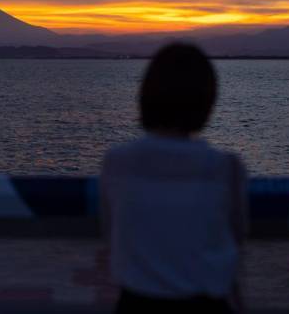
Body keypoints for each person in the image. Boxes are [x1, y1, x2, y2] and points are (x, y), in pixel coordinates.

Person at [99, 42, 247, 313]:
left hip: (136, 303)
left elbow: (111, 233)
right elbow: (235, 240)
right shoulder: (225, 167)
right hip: (206, 303)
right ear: (207, 100)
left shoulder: (117, 161)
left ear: (146, 95)